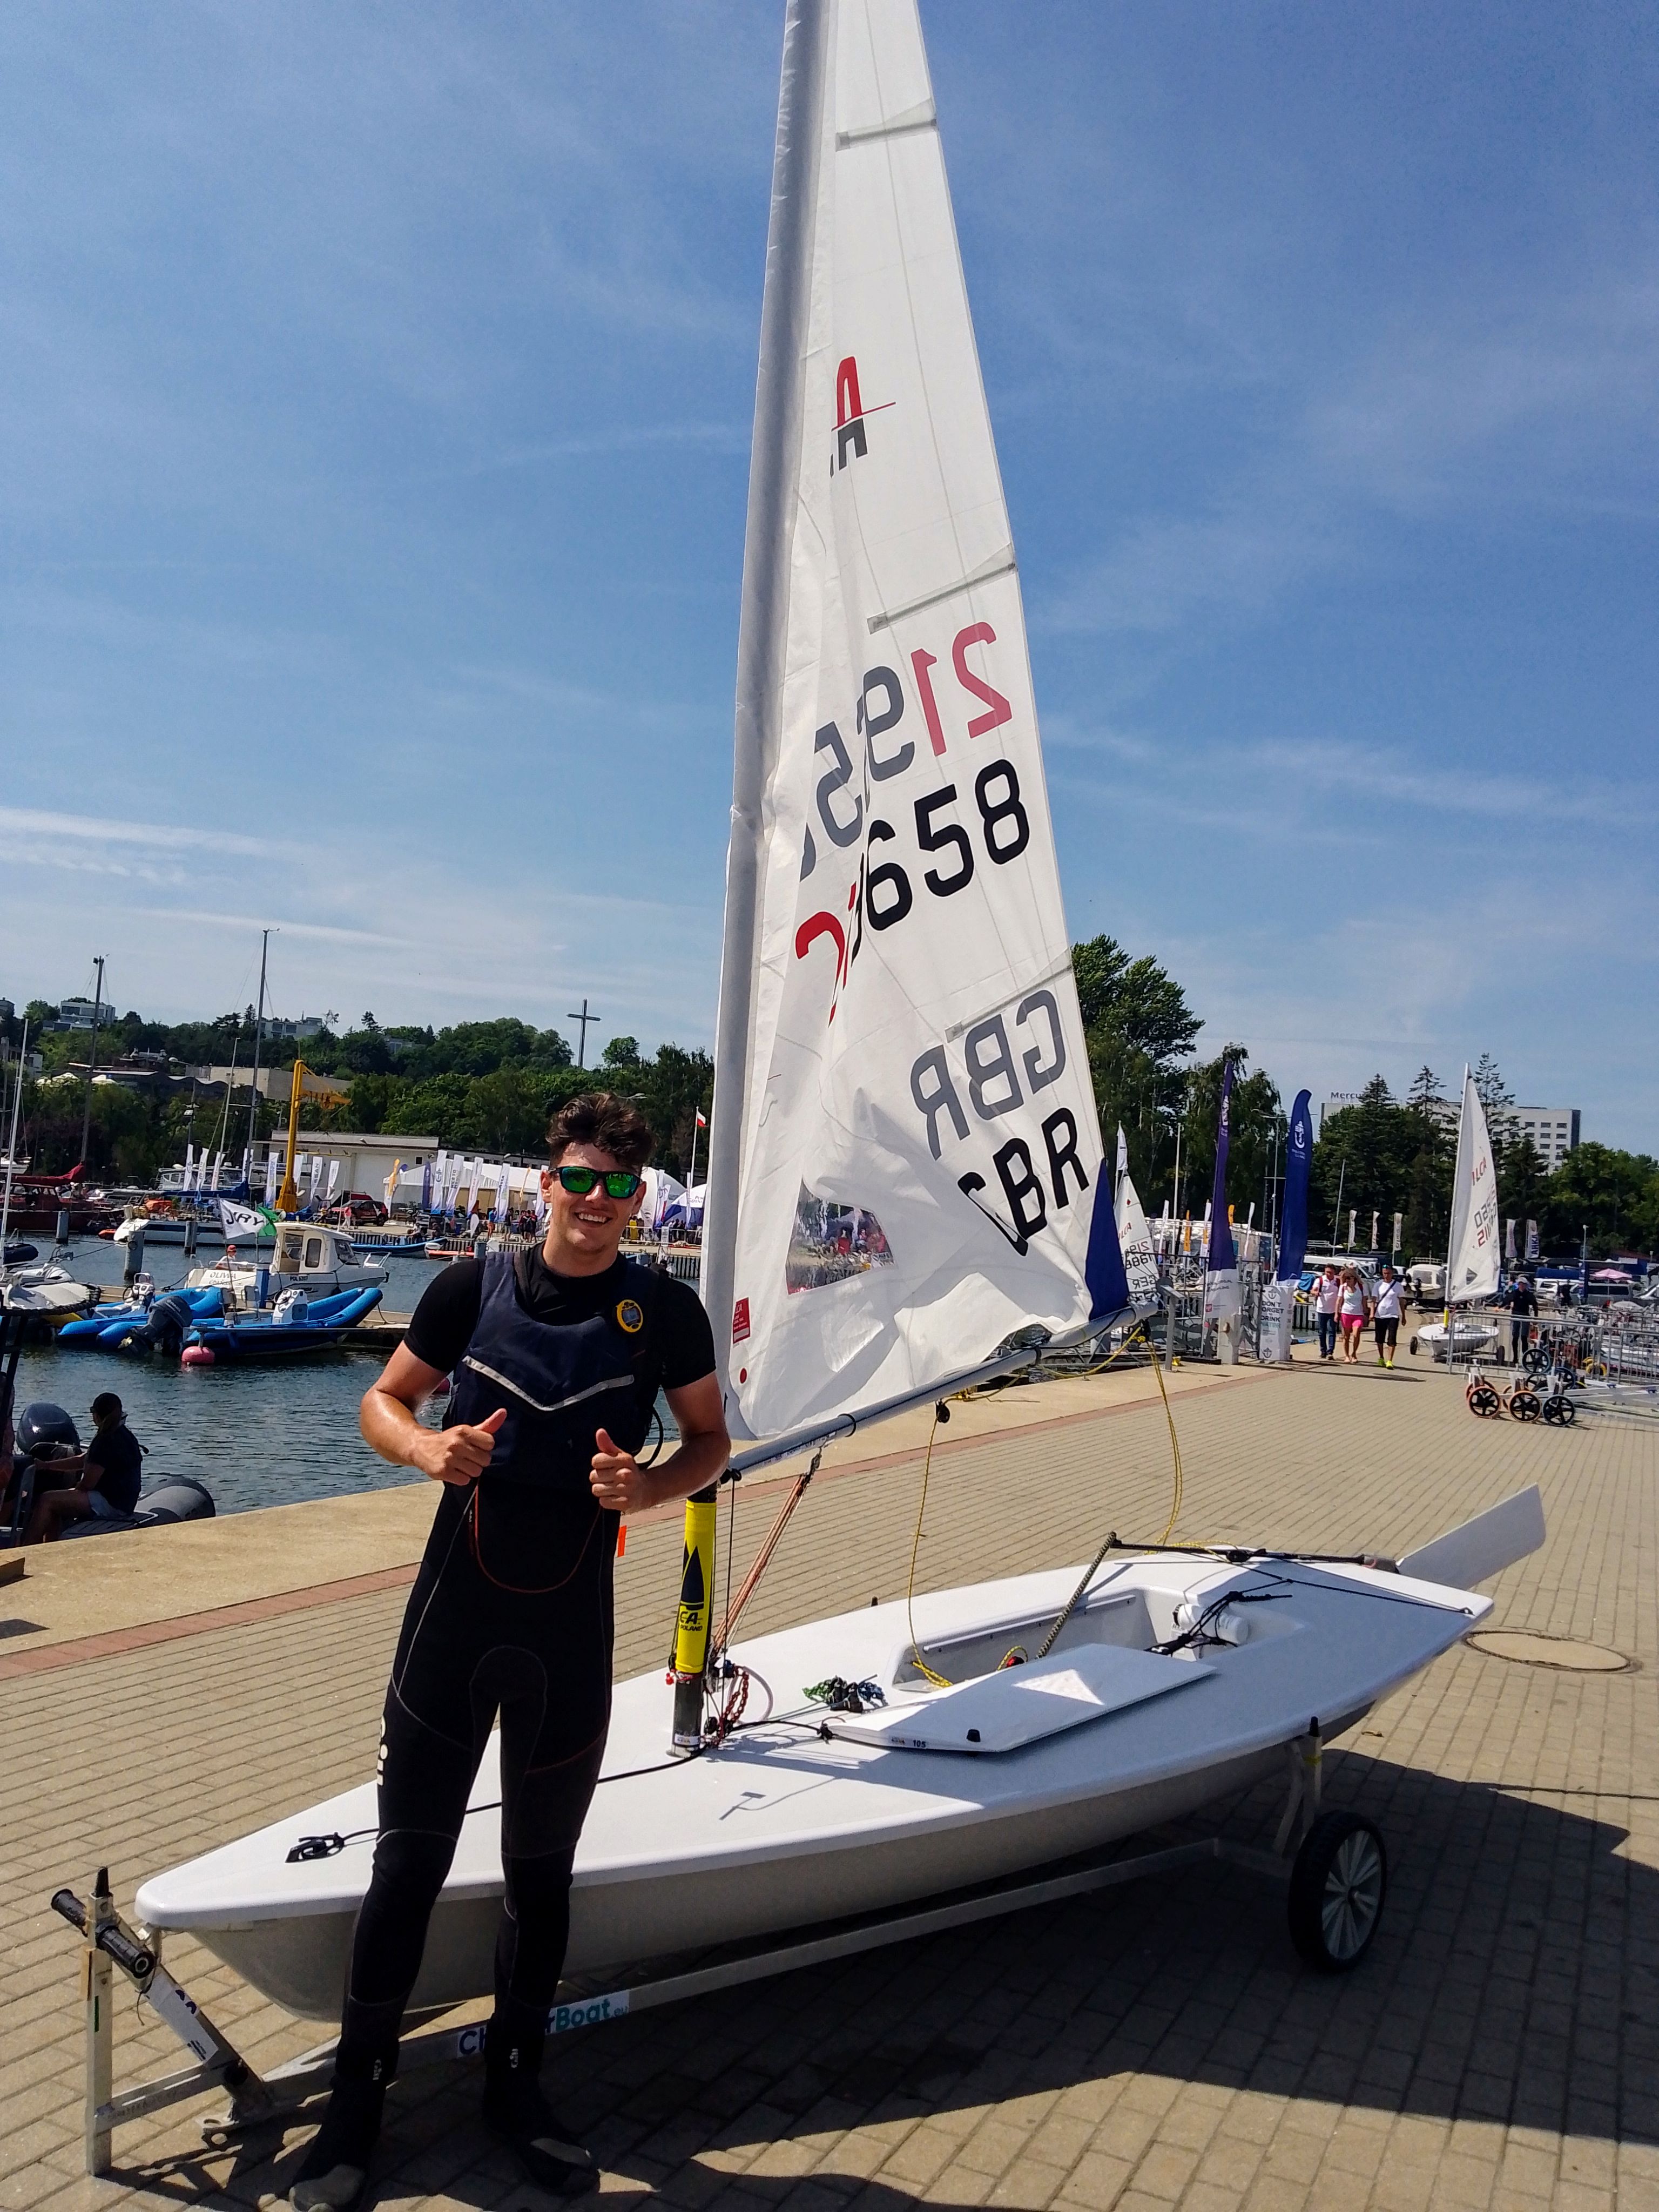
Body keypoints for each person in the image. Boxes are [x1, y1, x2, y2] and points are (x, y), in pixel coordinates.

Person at [283, 1095, 727, 2211]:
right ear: (548, 1184)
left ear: (640, 1197)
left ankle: (519, 2088)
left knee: (542, 1875)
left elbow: (714, 1439)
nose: (596, 1204)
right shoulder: (470, 1288)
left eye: (620, 1187)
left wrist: (655, 1484)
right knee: (407, 1866)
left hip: (566, 1634)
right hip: (452, 1625)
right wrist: (428, 1444)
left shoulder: (663, 1311)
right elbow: (382, 1401)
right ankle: (355, 2104)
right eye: (579, 1180)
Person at [21, 1393, 143, 1542]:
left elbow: (88, 1484)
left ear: (96, 1416)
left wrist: (75, 1488)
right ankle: (50, 1546)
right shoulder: (125, 1435)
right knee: (58, 1503)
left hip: (111, 1505)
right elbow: (83, 1461)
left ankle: (27, 1547)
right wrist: (46, 1466)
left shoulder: (105, 1440)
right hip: (125, 1503)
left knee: (47, 1500)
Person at [1371, 1265, 1404, 1369]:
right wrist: (1372, 1313)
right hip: (1380, 1315)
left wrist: (1404, 1316)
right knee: (1380, 1339)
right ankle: (1381, 1357)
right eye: (1385, 1273)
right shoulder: (1378, 1285)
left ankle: (1390, 1360)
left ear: (1392, 1273)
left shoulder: (1398, 1285)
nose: (1386, 1275)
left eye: (1388, 1273)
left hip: (1393, 1315)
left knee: (1392, 1338)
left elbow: (1402, 1301)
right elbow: (1374, 1300)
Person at [1507, 1271, 1539, 1365]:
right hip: (1516, 1315)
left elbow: (1535, 1305)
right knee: (1515, 1337)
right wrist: (1509, 1304)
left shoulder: (1529, 1295)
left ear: (1526, 1285)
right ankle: (1515, 1358)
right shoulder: (1514, 1293)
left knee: (1524, 1338)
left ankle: (1524, 1359)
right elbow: (1509, 1300)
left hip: (1525, 1316)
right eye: (1520, 1284)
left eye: (1523, 1284)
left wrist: (1536, 1317)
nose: (1521, 1286)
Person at [1338, 1267, 1367, 1364]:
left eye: (1350, 1278)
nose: (1348, 1280)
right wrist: (1337, 1313)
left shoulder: (1361, 1287)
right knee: (1346, 1336)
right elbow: (1339, 1301)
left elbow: (1364, 1300)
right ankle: (1346, 1356)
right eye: (1347, 1278)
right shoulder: (1343, 1287)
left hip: (1358, 1314)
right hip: (1346, 1313)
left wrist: (1366, 1312)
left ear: (1354, 1278)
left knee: (1356, 1333)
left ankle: (1354, 1354)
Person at [1313, 1263, 1341, 1361]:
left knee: (1332, 1331)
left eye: (1331, 1272)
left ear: (1334, 1272)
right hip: (1322, 1309)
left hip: (1333, 1310)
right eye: (1327, 1272)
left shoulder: (1337, 1281)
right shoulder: (1320, 1280)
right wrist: (1316, 1292)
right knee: (1322, 1332)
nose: (1329, 1274)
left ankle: (1330, 1352)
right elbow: (1313, 1290)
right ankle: (1323, 1351)